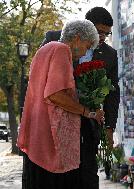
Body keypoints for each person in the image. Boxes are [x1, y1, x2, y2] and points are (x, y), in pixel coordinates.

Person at [17, 19, 105, 189]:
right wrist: (87, 112)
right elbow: (55, 94)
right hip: (51, 136)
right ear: (78, 38)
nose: (85, 52)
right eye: (87, 46)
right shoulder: (62, 50)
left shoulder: (45, 49)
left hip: (38, 134)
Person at [41, 7, 120, 187]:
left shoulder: (109, 54)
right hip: (56, 120)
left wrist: (109, 127)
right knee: (60, 175)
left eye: (106, 34)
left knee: (88, 173)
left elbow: (113, 93)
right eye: (99, 31)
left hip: (87, 122)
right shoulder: (55, 39)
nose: (102, 37)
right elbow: (40, 78)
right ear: (86, 26)